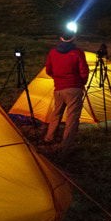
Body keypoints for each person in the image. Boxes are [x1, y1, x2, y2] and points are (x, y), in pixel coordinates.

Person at [43, 26, 90, 156]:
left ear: (60, 37)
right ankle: (66, 146)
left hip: (58, 89)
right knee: (72, 118)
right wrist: (81, 82)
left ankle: (49, 138)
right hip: (74, 88)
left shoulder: (53, 52)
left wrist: (58, 79)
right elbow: (84, 71)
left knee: (56, 114)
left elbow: (48, 70)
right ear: (73, 37)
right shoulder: (78, 53)